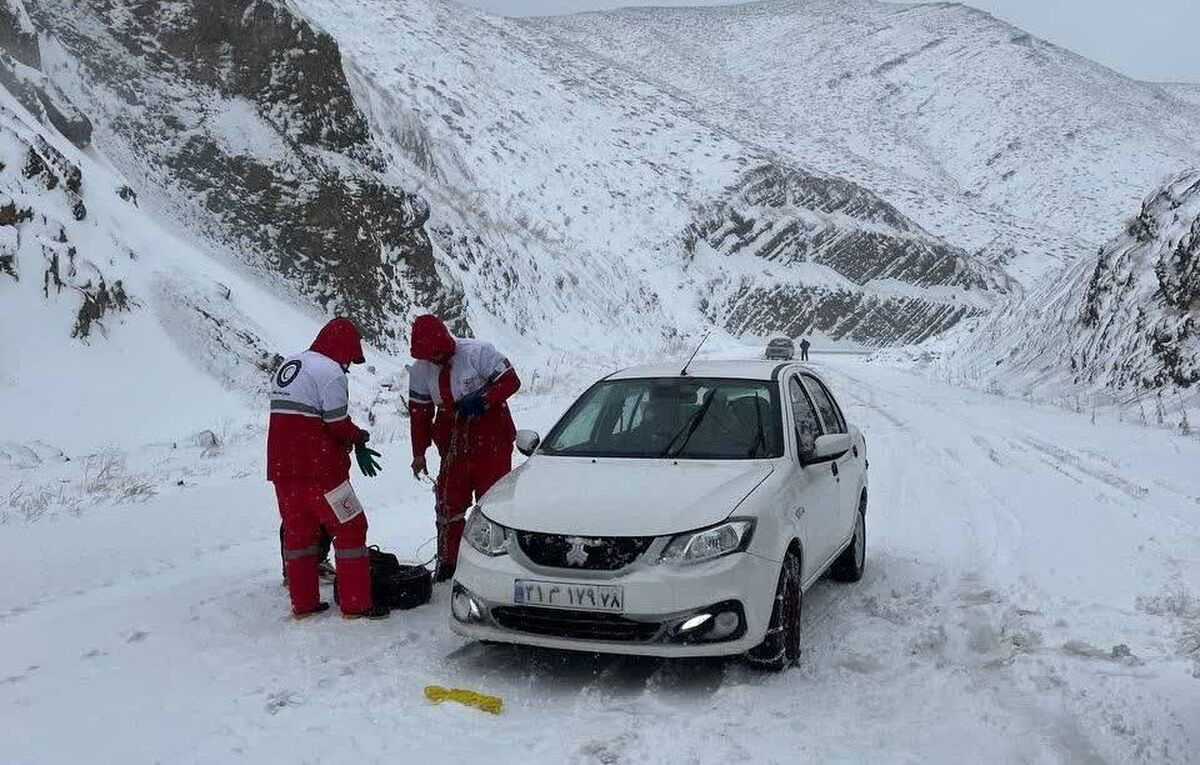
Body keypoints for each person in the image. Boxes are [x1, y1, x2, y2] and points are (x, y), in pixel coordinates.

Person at [267, 317, 386, 620]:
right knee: (351, 527)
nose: (348, 366)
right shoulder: (330, 372)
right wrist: (358, 437)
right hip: (321, 471)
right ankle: (356, 604)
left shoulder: (290, 364)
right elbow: (336, 424)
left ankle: (304, 604)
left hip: (282, 468)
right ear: (343, 349)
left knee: (299, 534)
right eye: (350, 359)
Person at [407, 315, 520, 582]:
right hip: (452, 442)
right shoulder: (421, 370)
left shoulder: (479, 353)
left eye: (436, 353)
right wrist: (419, 452)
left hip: (490, 436)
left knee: (493, 505)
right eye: (428, 356)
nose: (433, 359)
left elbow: (511, 381)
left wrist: (483, 399)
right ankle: (449, 562)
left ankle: (495, 565)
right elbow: (420, 413)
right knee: (448, 504)